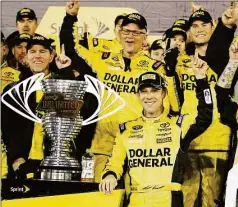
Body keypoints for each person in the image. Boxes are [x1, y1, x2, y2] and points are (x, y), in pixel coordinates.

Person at [60, 1, 183, 182]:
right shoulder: (102, 61)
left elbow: (175, 105)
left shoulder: (156, 68)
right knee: (101, 202)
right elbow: (70, 50)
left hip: (139, 147)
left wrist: (171, 73)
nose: (130, 36)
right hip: (102, 147)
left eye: (136, 32)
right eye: (126, 31)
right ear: (119, 33)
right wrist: (70, 18)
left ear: (144, 36)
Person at [99, 68, 214, 207]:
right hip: (137, 200)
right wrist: (110, 175)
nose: (149, 96)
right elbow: (114, 163)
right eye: (144, 91)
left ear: (164, 93)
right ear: (138, 95)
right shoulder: (126, 129)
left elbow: (205, 116)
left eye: (154, 91)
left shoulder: (179, 124)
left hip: (168, 199)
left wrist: (201, 80)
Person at [1, 35, 95, 179]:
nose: (37, 56)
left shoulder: (63, 85)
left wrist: (65, 71)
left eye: (43, 51)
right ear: (25, 58)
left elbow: (77, 118)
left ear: (51, 57)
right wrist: (15, 159)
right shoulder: (13, 91)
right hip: (22, 166)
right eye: (32, 52)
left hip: (58, 167)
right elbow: (6, 131)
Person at [181, 4, 238, 207]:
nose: (199, 29)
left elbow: (223, 45)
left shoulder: (224, 59)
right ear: (188, 32)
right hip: (187, 144)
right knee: (183, 203)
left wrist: (228, 26)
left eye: (204, 24)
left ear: (213, 26)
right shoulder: (178, 62)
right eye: (194, 25)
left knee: (212, 204)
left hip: (218, 143)